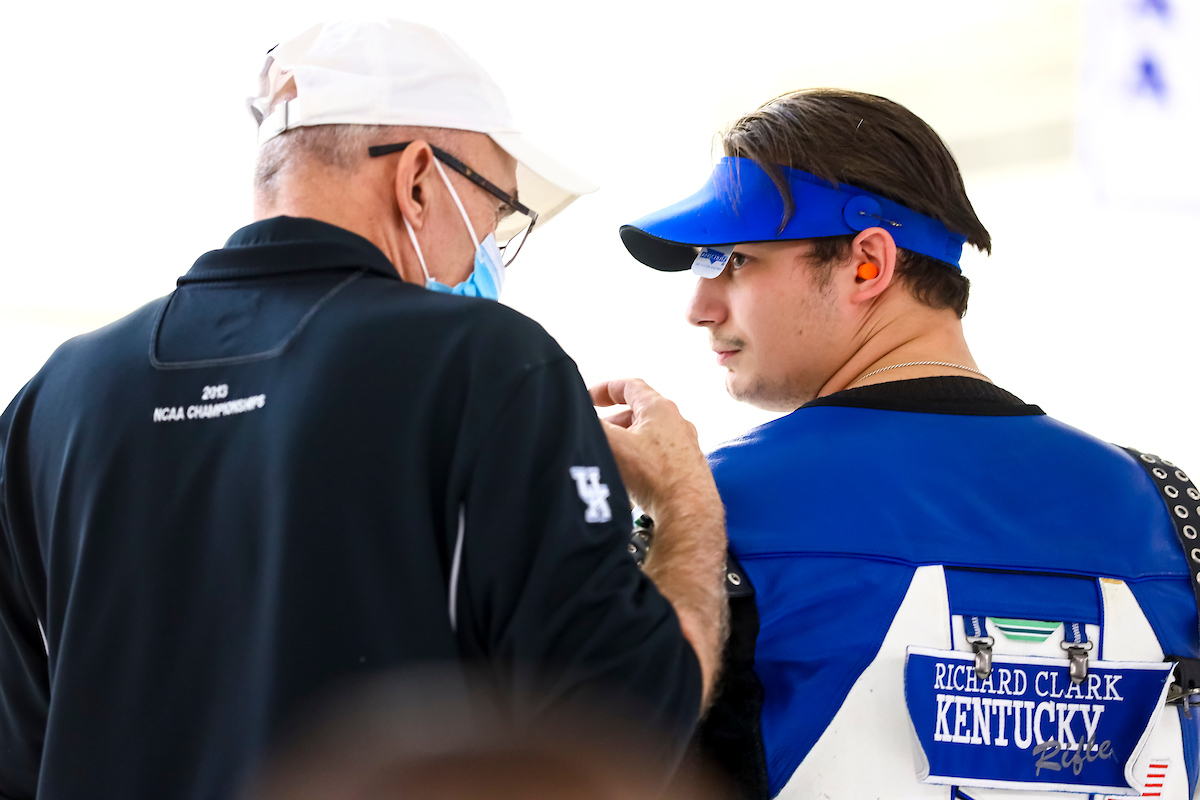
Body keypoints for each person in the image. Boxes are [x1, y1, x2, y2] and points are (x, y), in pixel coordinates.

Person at [0, 19, 727, 800]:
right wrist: (686, 500)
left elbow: (16, 750)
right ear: (417, 180)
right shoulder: (488, 364)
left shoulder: (54, 398)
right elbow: (621, 729)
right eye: (497, 213)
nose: (489, 250)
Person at [619, 88, 1200, 800]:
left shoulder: (713, 508)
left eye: (734, 260)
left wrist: (675, 511)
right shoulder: (1167, 508)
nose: (699, 307)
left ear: (868, 263)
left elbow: (588, 759)